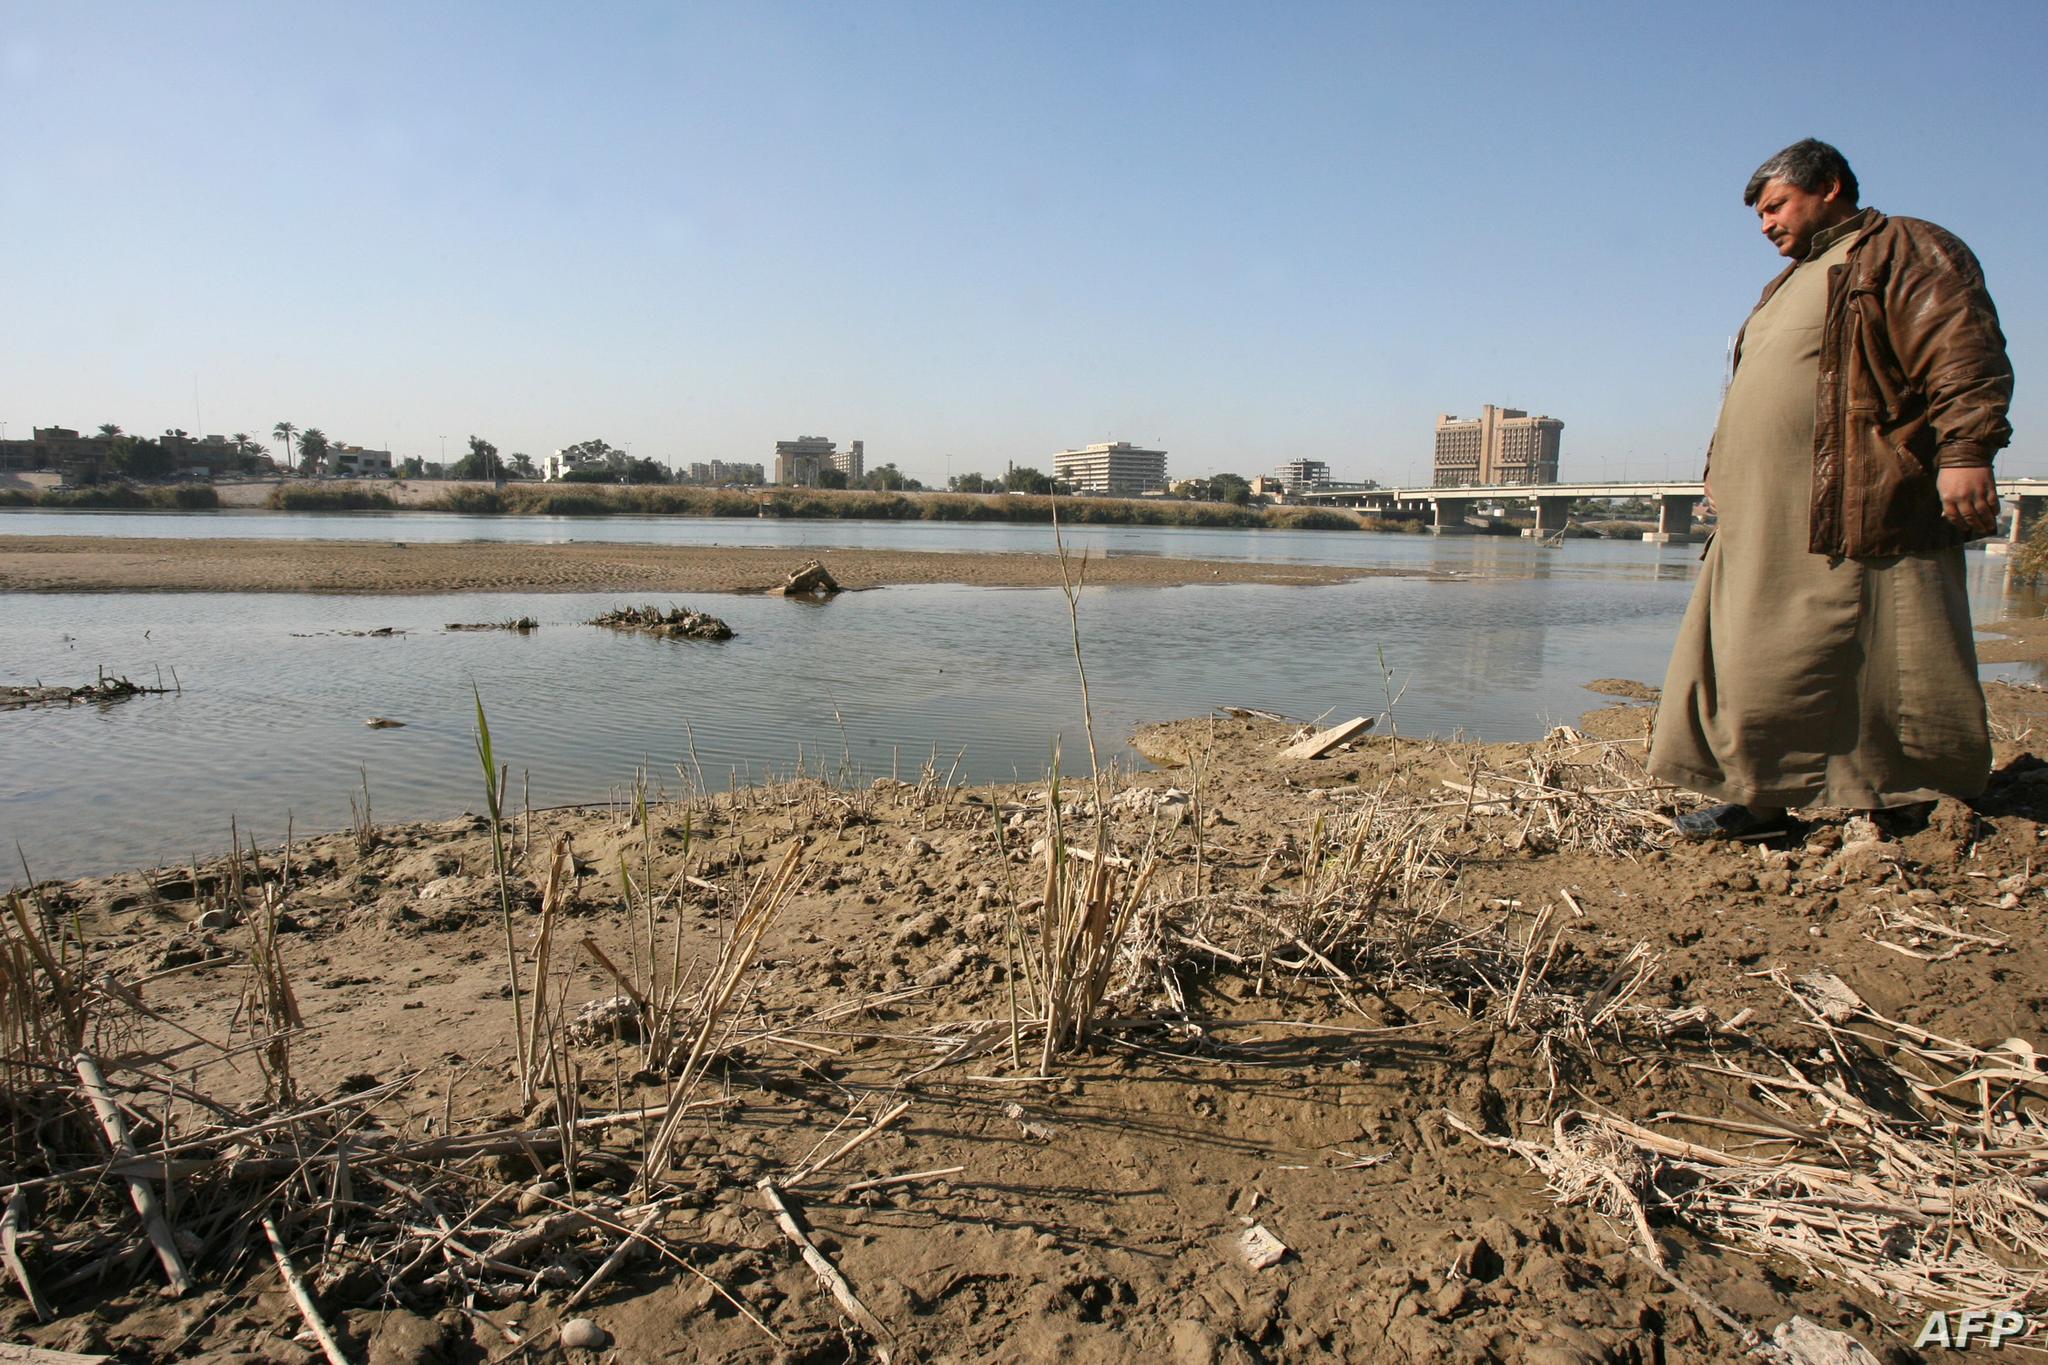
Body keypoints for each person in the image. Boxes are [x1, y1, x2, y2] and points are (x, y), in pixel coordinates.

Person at [1649, 138, 2014, 839]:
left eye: (1776, 206)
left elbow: (1962, 347)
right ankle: (1757, 799)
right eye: (1758, 215)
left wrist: (1967, 450)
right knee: (1753, 654)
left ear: (1832, 187)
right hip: (1762, 514)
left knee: (1891, 649)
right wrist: (1718, 465)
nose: (1765, 226)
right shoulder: (1788, 283)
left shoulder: (1901, 248)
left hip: (1862, 497)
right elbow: (1754, 388)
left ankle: (1903, 797)